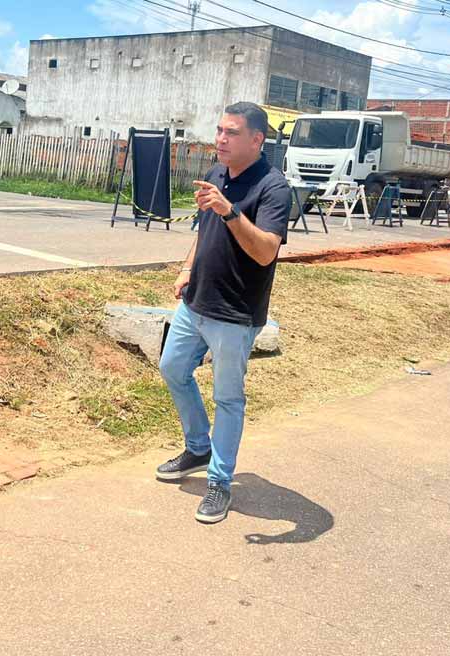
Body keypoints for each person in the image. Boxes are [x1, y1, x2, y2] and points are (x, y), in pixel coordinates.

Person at [155, 102, 291, 524]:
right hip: (196, 301)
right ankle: (199, 445)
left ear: (256, 139)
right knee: (172, 369)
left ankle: (219, 482)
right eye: (219, 131)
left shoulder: (273, 187)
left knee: (228, 399)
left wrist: (230, 211)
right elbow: (204, 228)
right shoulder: (216, 174)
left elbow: (267, 250)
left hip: (235, 312)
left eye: (231, 133)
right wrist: (186, 269)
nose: (221, 139)